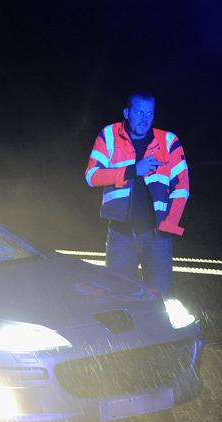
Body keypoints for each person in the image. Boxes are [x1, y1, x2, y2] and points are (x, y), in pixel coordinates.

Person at [84, 91, 190, 295]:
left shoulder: (169, 141)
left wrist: (168, 226)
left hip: (158, 237)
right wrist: (133, 170)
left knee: (160, 300)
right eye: (139, 112)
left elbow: (182, 187)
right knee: (117, 296)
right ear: (126, 112)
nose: (144, 118)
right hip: (121, 234)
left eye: (149, 113)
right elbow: (91, 176)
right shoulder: (108, 135)